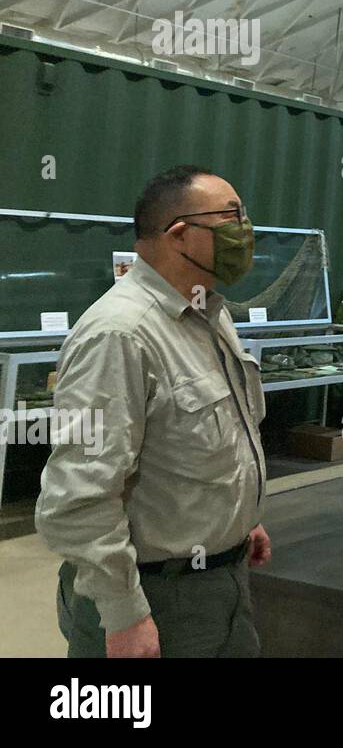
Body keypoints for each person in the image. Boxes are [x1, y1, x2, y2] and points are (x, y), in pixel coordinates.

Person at [36, 165, 270, 658]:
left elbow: (209, 439)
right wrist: (124, 614)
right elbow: (78, 496)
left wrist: (237, 517)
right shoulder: (119, 335)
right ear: (179, 235)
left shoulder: (209, 313)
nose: (244, 231)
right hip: (155, 596)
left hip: (223, 582)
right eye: (230, 218)